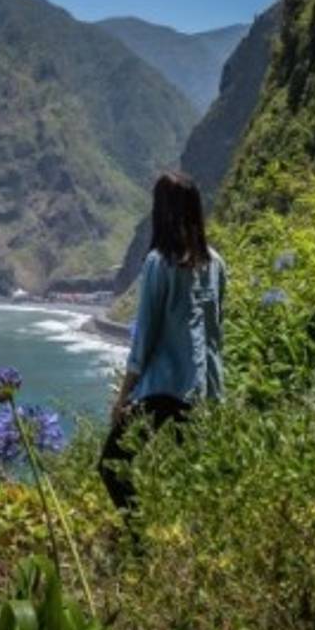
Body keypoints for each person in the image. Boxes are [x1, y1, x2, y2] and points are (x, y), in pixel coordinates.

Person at [100, 171, 227, 518]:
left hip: (161, 390)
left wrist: (123, 397)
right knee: (190, 478)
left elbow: (145, 338)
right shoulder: (215, 264)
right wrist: (215, 390)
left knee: (113, 466)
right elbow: (215, 335)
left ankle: (141, 540)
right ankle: (180, 544)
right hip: (200, 389)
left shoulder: (160, 263)